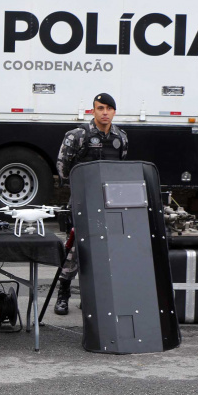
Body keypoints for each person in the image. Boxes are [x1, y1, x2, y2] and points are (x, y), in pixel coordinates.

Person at [54, 93, 128, 315]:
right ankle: (63, 296)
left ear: (114, 111)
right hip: (82, 201)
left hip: (108, 203)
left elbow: (121, 169)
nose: (105, 112)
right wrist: (79, 188)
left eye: (109, 108)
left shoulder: (121, 137)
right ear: (93, 111)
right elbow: (62, 167)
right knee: (74, 251)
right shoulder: (77, 136)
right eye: (100, 108)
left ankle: (91, 297)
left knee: (104, 252)